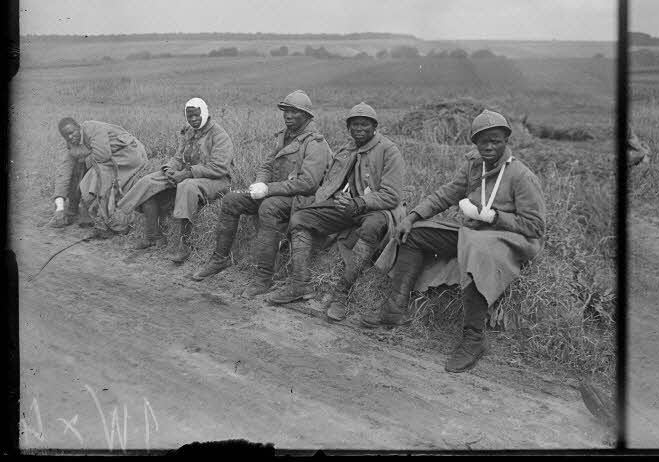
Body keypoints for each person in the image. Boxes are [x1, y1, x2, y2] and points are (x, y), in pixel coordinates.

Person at [368, 110, 545, 374]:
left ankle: (474, 338)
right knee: (415, 234)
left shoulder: (521, 176)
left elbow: (535, 227)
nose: (488, 146)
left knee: (477, 253)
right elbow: (446, 195)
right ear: (474, 143)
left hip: (510, 239)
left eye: (495, 140)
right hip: (473, 233)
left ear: (506, 140)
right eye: (482, 141)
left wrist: (494, 216)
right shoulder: (474, 166)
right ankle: (396, 308)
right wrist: (412, 217)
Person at [266, 103, 406, 319]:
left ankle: (342, 293)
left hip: (376, 209)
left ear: (374, 127)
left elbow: (392, 195)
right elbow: (330, 183)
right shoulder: (346, 150)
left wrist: (359, 203)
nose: (359, 129)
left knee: (371, 226)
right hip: (345, 207)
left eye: (364, 125)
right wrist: (332, 199)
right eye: (354, 125)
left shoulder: (389, 150)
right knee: (301, 218)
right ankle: (300, 283)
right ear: (348, 128)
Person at [190, 90, 332, 298]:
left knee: (268, 207)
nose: (288, 116)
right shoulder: (284, 136)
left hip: (301, 199)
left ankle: (263, 277)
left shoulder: (315, 143)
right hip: (276, 191)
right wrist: (259, 183)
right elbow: (267, 165)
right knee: (231, 201)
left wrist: (268, 190)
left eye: (294, 112)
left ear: (307, 116)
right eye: (286, 111)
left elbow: (308, 183)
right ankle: (219, 259)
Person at [117, 98, 233, 263]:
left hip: (216, 180)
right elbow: (178, 157)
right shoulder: (189, 131)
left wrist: (186, 173)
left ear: (205, 113)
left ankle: (184, 245)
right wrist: (169, 169)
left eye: (196, 115)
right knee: (150, 181)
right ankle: (152, 235)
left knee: (187, 186)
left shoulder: (220, 135)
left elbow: (219, 168)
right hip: (190, 174)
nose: (193, 119)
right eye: (189, 116)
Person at [51, 117, 149, 237]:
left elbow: (103, 156)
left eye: (72, 132)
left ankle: (107, 220)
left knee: (96, 178)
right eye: (67, 136)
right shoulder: (71, 144)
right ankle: (77, 211)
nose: (71, 137)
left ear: (79, 127)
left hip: (129, 154)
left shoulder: (93, 129)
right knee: (79, 170)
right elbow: (64, 173)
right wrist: (59, 207)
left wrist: (83, 159)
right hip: (108, 157)